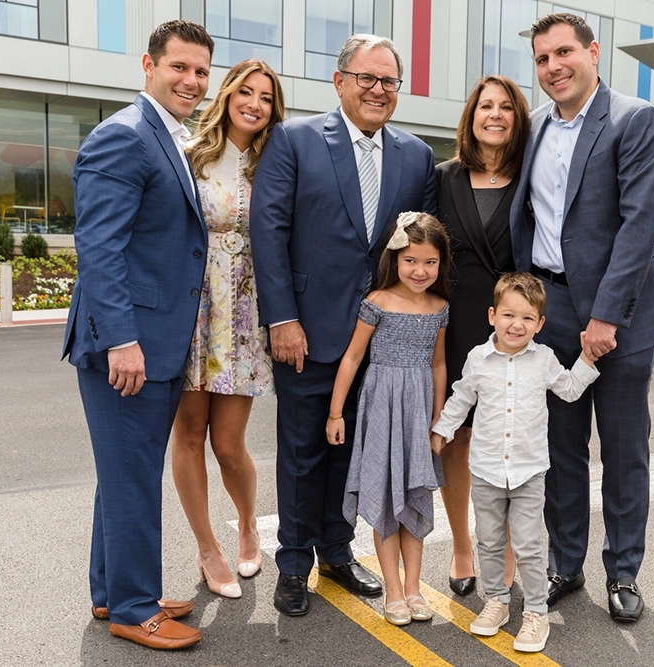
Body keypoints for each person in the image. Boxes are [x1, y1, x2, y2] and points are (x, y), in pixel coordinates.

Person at [250, 34, 437, 617]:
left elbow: (420, 251)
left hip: (381, 345)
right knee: (303, 453)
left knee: (355, 452)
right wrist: (281, 318)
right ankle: (292, 562)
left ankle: (336, 550)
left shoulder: (416, 156)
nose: (378, 90)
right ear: (340, 81)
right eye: (367, 78)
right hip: (308, 332)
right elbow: (268, 232)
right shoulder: (294, 140)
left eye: (389, 81)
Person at [509, 13, 654, 622]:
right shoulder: (532, 127)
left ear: (593, 52)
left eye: (563, 53)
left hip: (618, 318)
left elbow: (639, 227)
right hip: (550, 312)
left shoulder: (635, 120)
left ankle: (624, 572)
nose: (553, 67)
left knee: (625, 451)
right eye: (543, 58)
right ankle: (565, 564)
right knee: (561, 450)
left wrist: (605, 317)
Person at [61, 20, 214, 650]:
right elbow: (100, 246)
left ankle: (112, 590)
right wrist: (122, 338)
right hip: (130, 345)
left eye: (202, 71)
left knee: (124, 471)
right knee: (131, 476)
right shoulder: (124, 136)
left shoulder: (169, 136)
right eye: (180, 67)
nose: (192, 81)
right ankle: (132, 607)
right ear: (148, 66)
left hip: (155, 339)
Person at [431, 272, 598, 652]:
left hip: (527, 472)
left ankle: (536, 612)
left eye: (526, 318)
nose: (516, 324)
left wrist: (587, 358)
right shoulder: (478, 359)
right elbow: (460, 400)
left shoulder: (544, 360)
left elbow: (569, 390)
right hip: (487, 469)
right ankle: (497, 602)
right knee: (488, 542)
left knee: (527, 545)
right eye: (508, 315)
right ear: (492, 315)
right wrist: (442, 431)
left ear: (539, 324)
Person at [171, 59, 285, 601]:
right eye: (246, 91)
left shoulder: (276, 162)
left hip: (244, 315)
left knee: (229, 444)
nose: (255, 103)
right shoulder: (191, 157)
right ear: (227, 95)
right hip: (193, 309)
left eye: (266, 96)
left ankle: (246, 524)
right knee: (189, 435)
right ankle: (206, 546)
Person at [326, 212, 450, 626]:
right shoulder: (377, 302)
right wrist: (335, 412)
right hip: (381, 406)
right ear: (395, 258)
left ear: (440, 263)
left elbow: (437, 365)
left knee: (414, 496)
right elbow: (353, 357)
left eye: (430, 262)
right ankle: (392, 591)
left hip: (418, 413)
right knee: (384, 496)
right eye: (411, 260)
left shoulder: (440, 307)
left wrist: (439, 422)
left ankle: (414, 588)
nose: (420, 270)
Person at [435, 74, 530, 596]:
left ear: (518, 118)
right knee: (458, 438)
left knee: (509, 441)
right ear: (471, 116)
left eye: (506, 107)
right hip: (456, 325)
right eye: (485, 106)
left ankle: (507, 550)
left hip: (512, 328)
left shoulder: (531, 177)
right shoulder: (443, 176)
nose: (495, 115)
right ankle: (462, 545)